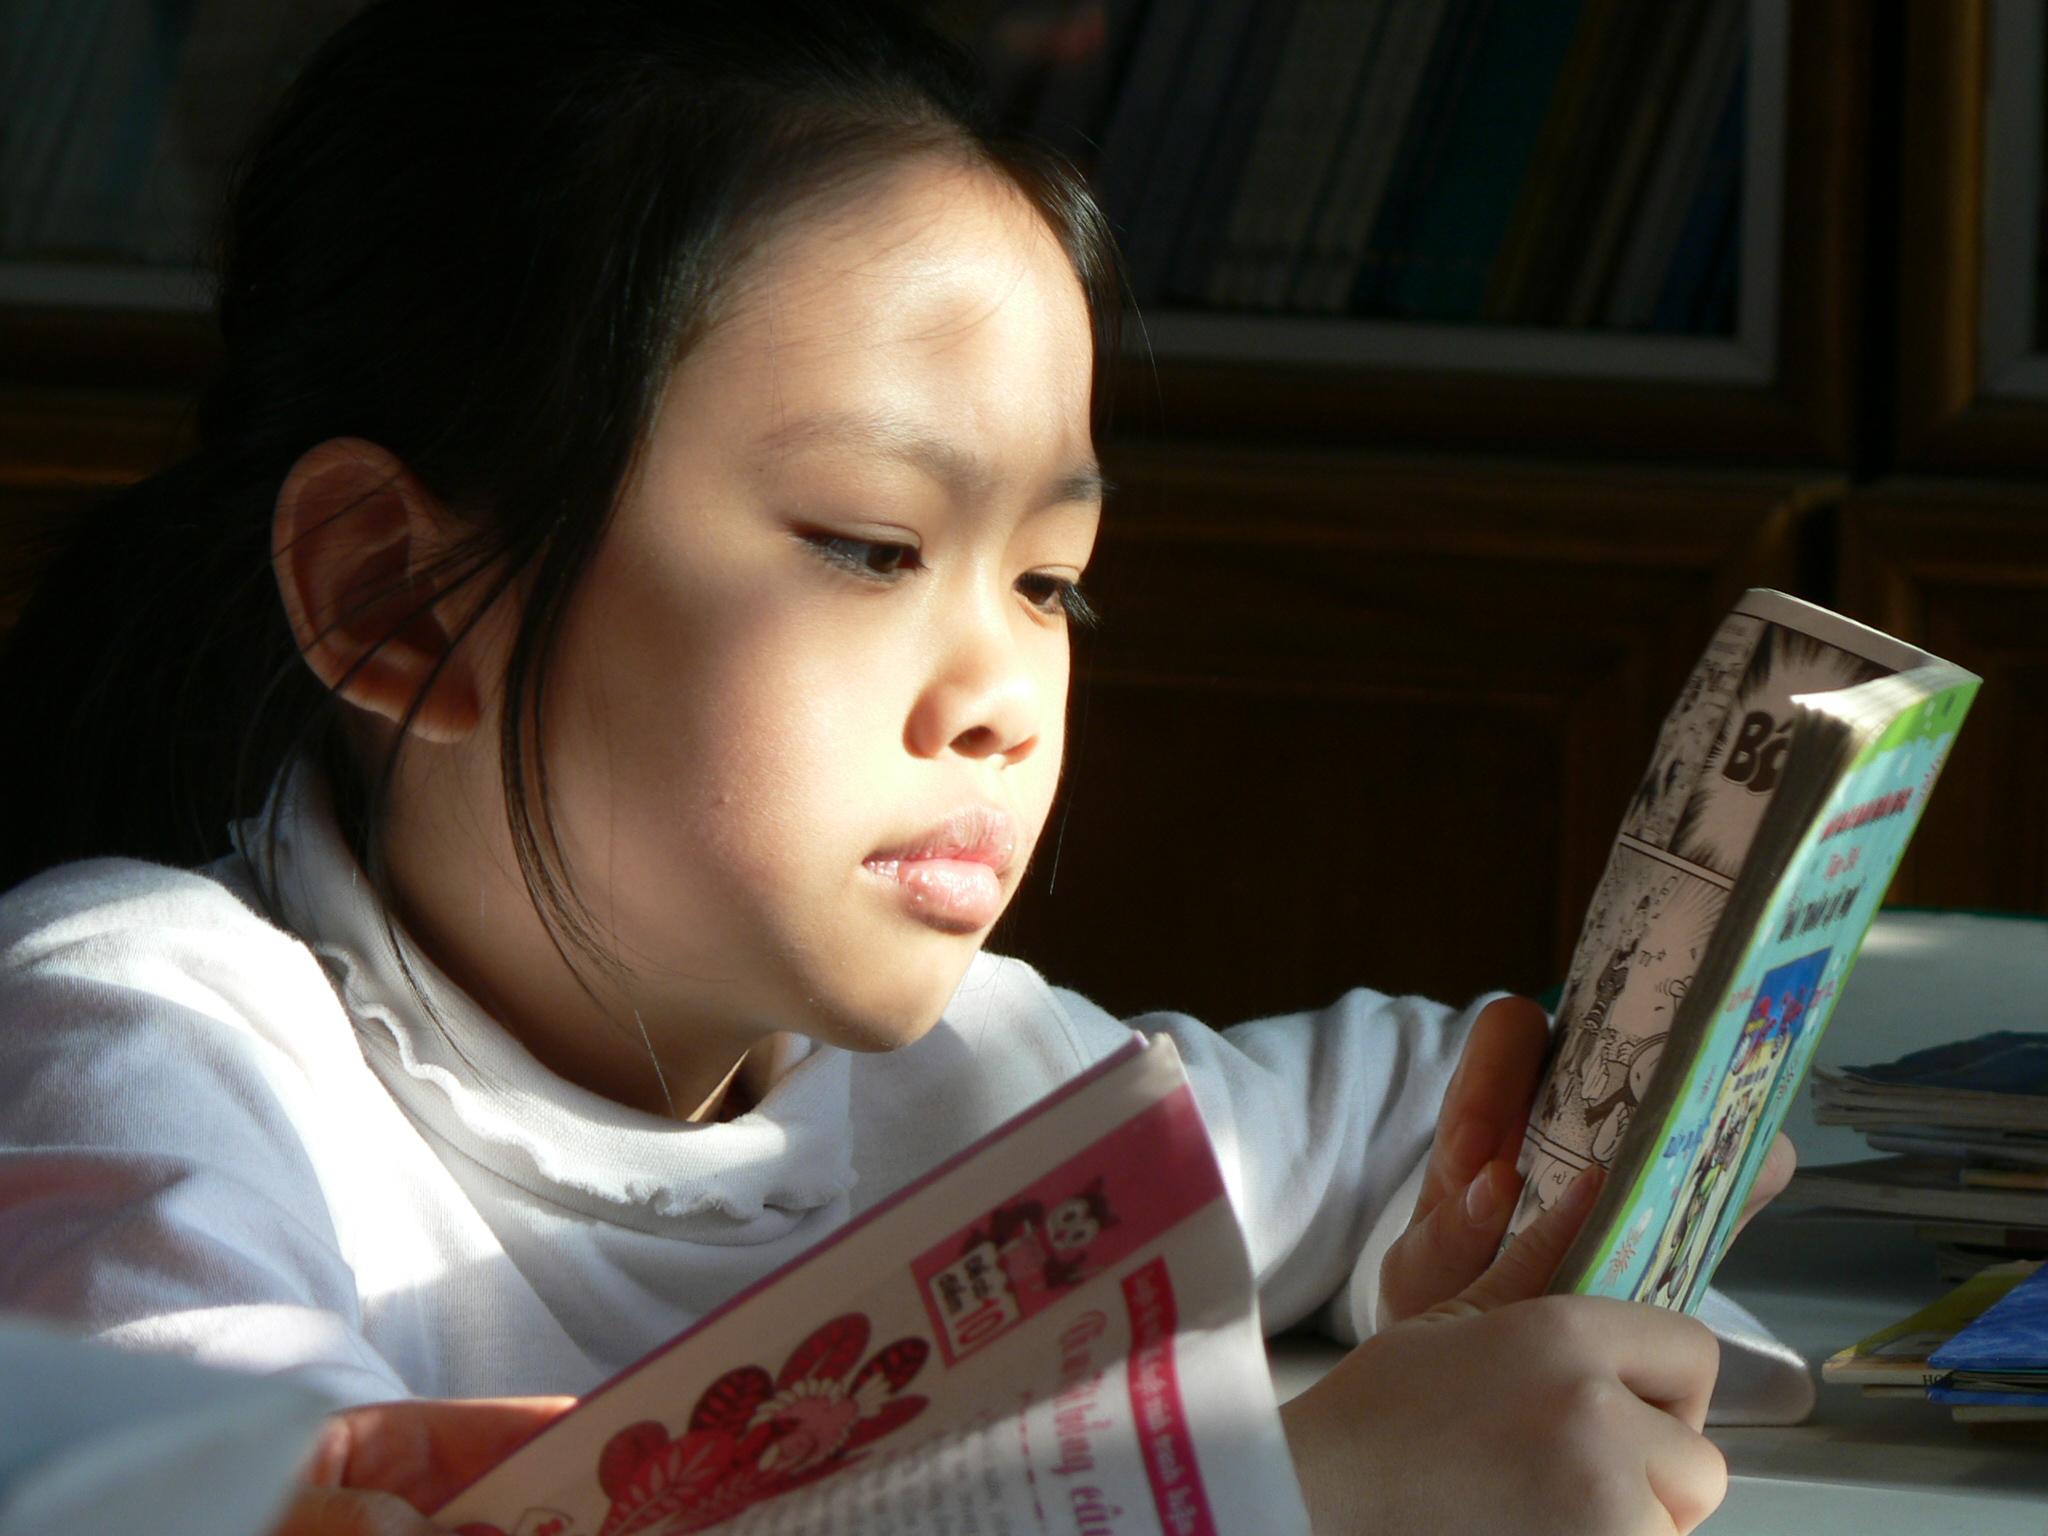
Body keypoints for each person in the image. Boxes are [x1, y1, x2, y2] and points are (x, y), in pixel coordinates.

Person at [0, 4, 1796, 1532]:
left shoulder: (975, 1090)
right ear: (399, 600)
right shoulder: (151, 1043)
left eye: (1049, 583)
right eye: (869, 545)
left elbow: (1411, 1113)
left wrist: (1478, 1262)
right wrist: (1294, 1496)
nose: (1007, 692)